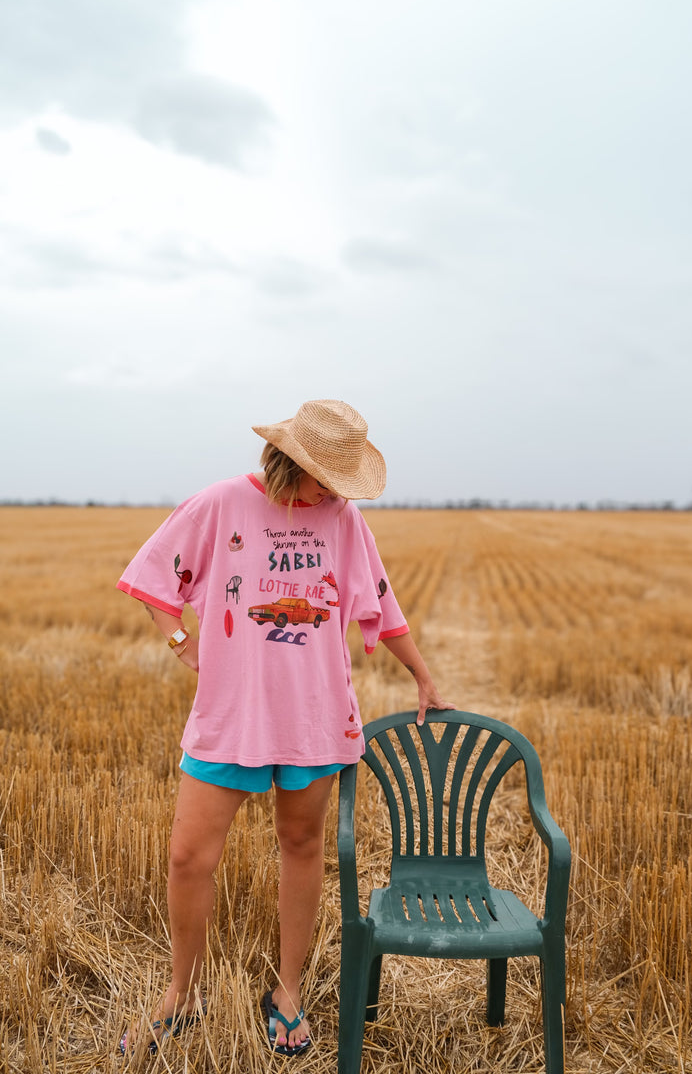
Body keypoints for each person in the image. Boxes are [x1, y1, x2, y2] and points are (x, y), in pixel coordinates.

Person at [116, 399, 453, 1057]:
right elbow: (154, 573)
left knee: (300, 846)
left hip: (313, 713)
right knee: (189, 856)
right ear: (289, 457)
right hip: (231, 714)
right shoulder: (221, 504)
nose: (332, 487)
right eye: (324, 472)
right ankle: (179, 995)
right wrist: (180, 638)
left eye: (339, 477)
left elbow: (379, 599)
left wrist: (421, 674)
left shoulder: (344, 520)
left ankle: (287, 992)